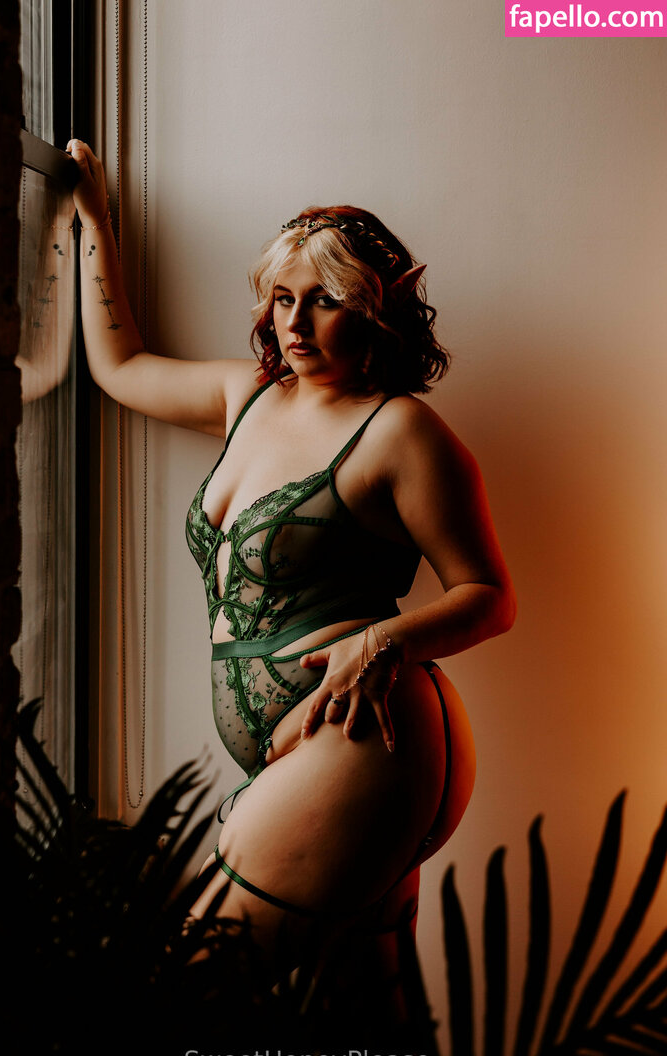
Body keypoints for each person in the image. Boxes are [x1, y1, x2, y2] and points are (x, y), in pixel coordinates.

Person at [67, 139, 516, 987]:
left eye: (326, 301)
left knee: (187, 991)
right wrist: (94, 221)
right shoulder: (247, 397)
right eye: (283, 299)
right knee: (366, 1022)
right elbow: (119, 368)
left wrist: (383, 642)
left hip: (366, 741)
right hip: (318, 756)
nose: (296, 324)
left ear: (376, 310)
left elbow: (490, 596)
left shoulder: (401, 432)